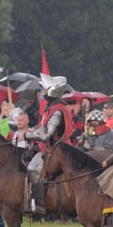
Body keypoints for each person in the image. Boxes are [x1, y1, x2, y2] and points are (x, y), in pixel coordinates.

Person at [24, 75, 73, 213]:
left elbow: (46, 136)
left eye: (44, 90)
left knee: (33, 169)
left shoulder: (57, 110)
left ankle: (41, 206)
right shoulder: (51, 107)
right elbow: (43, 129)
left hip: (57, 150)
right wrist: (33, 132)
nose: (42, 93)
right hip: (50, 148)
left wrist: (27, 135)